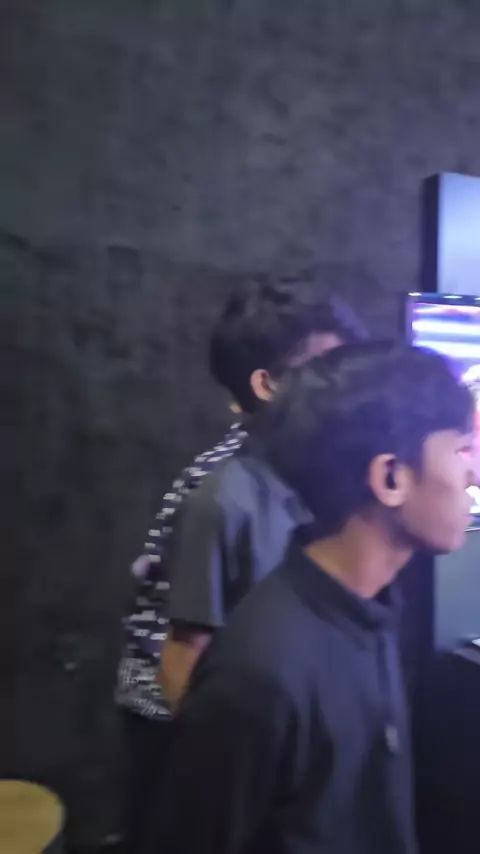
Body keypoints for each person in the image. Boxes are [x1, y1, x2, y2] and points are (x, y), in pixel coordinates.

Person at [144, 343, 476, 854]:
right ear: (391, 477)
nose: (472, 475)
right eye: (460, 452)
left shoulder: (370, 606)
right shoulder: (262, 675)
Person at [116, 274, 367, 847]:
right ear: (267, 384)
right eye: (325, 369)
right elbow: (181, 658)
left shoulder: (301, 468)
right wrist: (221, 762)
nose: (342, 388)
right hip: (177, 716)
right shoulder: (219, 491)